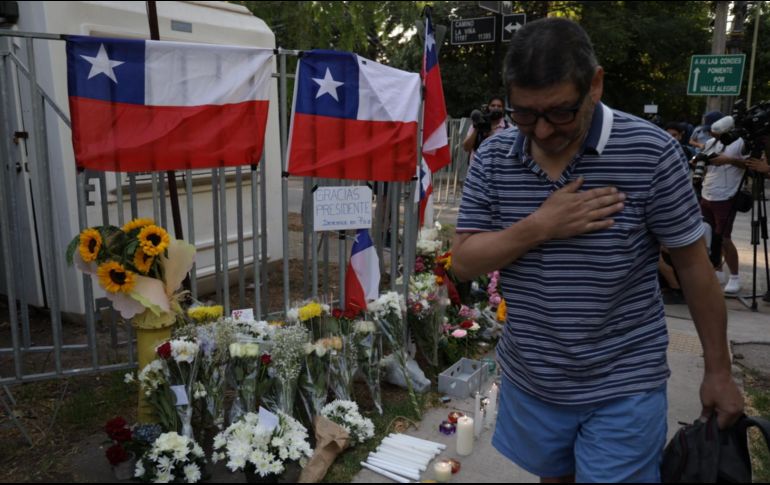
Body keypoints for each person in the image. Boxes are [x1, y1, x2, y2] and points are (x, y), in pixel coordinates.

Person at [451, 18, 743, 483]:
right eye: (525, 114)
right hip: (533, 378)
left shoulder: (650, 152)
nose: (542, 131)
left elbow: (692, 266)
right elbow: (464, 261)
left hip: (624, 382)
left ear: (595, 85)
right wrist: (539, 226)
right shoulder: (493, 156)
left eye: (560, 112)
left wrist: (719, 371)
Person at [697, 117, 750, 294]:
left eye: (718, 133)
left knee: (724, 238)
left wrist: (729, 160)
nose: (713, 135)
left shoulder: (740, 143)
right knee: (709, 236)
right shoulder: (711, 142)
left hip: (726, 195)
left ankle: (734, 277)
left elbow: (749, 165)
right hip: (707, 193)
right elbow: (704, 165)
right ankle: (717, 270)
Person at [462, 95, 512, 160]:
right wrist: (477, 128)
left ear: (503, 109)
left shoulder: (509, 128)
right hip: (476, 168)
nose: (496, 108)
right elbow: (466, 148)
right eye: (493, 106)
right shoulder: (477, 124)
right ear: (488, 107)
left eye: (499, 106)